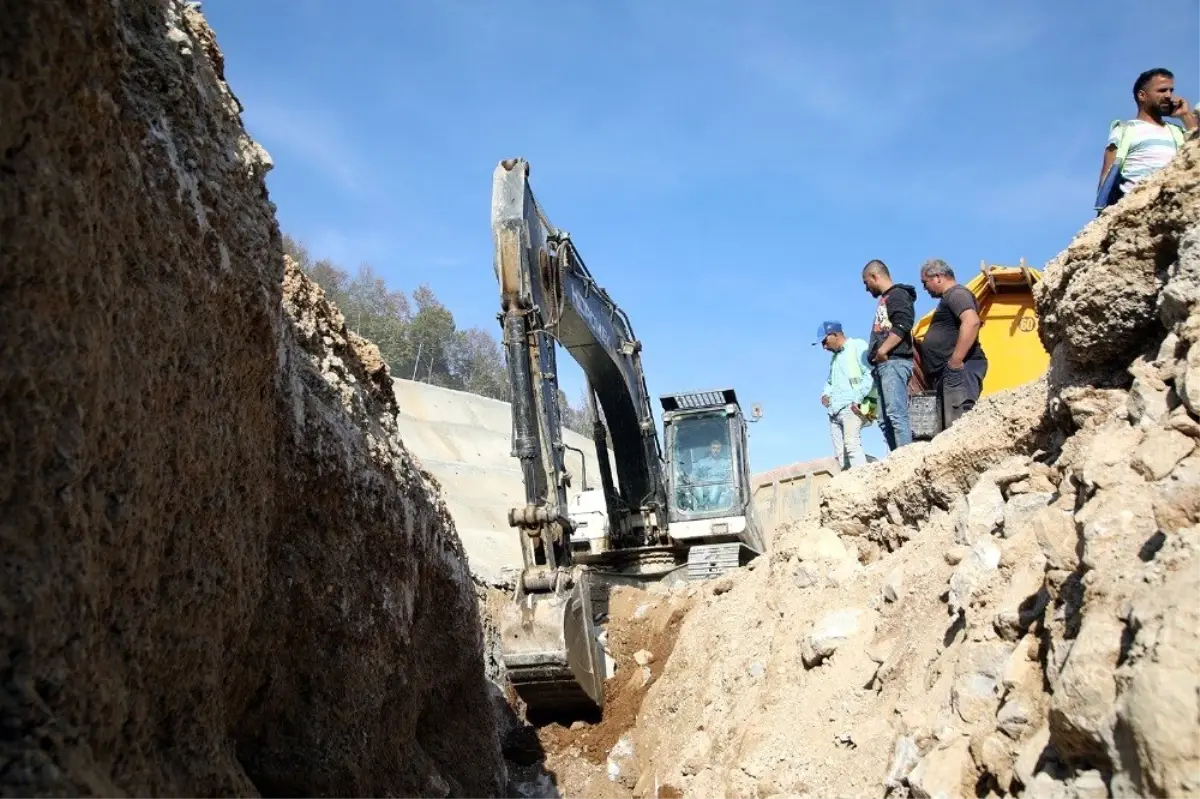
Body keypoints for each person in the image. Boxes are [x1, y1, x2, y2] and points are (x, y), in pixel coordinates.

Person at [1097, 68, 1198, 208]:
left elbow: (1196, 152)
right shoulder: (1125, 130)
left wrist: (1185, 115)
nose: (1169, 96)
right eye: (1162, 91)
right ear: (1142, 96)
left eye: (1171, 90)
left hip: (1176, 204)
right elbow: (1107, 177)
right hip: (1139, 209)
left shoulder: (1178, 131)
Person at [918, 260, 987, 431]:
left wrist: (955, 362)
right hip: (949, 375)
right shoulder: (949, 298)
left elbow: (971, 322)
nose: (924, 288)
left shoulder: (956, 294)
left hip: (959, 372)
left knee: (958, 427)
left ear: (938, 277)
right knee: (950, 430)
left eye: (924, 282)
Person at [862, 259, 917, 451]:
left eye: (866, 282)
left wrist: (883, 350)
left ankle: (906, 461)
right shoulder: (887, 299)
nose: (866, 289)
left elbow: (903, 324)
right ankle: (897, 461)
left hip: (894, 362)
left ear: (874, 276)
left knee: (896, 415)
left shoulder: (898, 295)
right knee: (885, 421)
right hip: (885, 365)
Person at [815, 321, 872, 470]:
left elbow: (869, 373)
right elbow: (830, 381)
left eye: (824, 341)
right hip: (834, 411)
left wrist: (858, 399)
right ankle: (848, 488)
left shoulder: (857, 346)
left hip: (851, 407)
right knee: (841, 455)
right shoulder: (835, 358)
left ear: (834, 334)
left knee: (852, 446)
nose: (824, 347)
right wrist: (825, 393)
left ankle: (862, 482)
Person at [689, 439, 733, 511]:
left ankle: (712, 508)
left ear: (721, 450)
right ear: (710, 449)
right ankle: (701, 508)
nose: (716, 450)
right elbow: (694, 475)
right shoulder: (702, 462)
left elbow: (730, 476)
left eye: (718, 449)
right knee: (697, 488)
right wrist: (695, 481)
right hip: (705, 488)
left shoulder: (726, 463)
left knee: (715, 488)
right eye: (714, 448)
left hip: (720, 489)